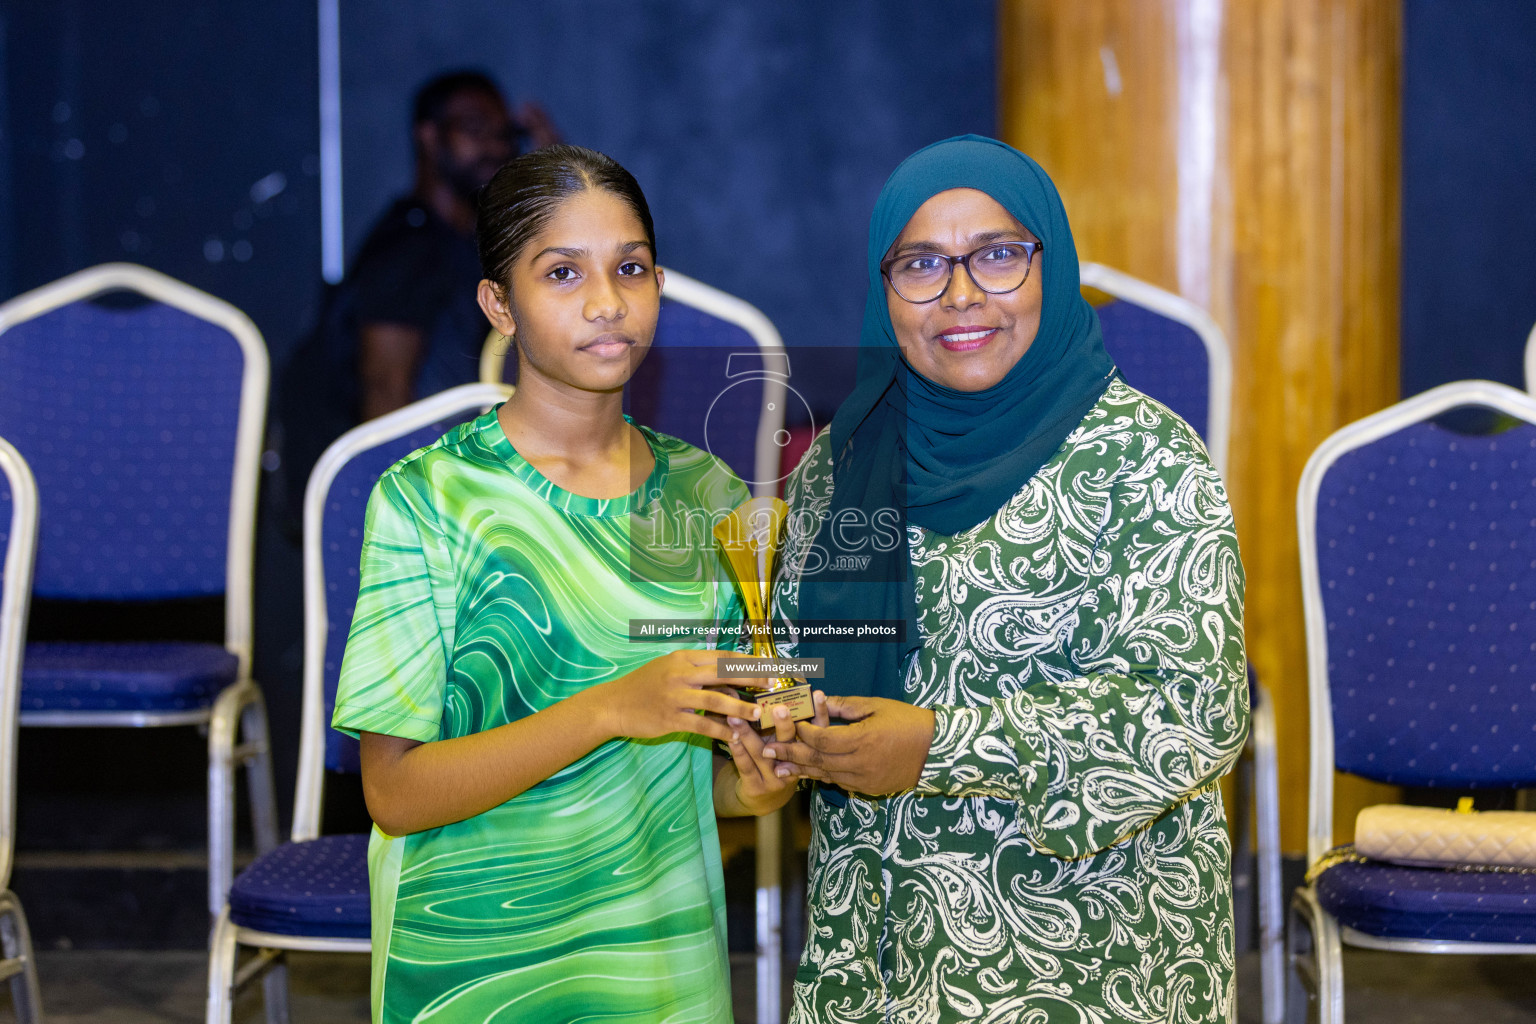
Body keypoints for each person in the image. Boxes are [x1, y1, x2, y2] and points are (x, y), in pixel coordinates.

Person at [766, 136, 1248, 1023]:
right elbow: (799, 660)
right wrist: (769, 719)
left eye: (996, 255)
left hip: (1088, 944)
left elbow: (1192, 711)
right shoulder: (844, 461)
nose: (958, 295)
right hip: (868, 942)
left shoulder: (1144, 459)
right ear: (885, 288)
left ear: (1049, 266)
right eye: (921, 263)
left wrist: (938, 744)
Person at [330, 144, 797, 1023]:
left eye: (631, 268)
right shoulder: (430, 501)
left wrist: (761, 782)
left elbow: (704, 781)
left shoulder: (710, 496)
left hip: (660, 963)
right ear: (498, 305)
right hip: (475, 965)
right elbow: (393, 792)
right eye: (561, 273)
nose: (607, 302)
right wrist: (610, 707)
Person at [279, 70, 559, 519]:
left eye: (505, 133)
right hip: (421, 504)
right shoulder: (407, 249)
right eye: (473, 128)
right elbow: (385, 393)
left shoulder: (471, 245)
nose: (495, 145)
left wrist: (555, 182)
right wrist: (404, 523)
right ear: (429, 136)